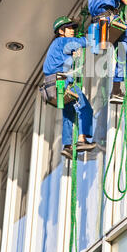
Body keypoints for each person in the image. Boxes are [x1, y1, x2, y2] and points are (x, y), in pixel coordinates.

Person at [43, 16, 96, 159]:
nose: (72, 31)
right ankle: (82, 140)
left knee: (68, 113)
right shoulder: (62, 41)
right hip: (62, 81)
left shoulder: (55, 45)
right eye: (70, 28)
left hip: (52, 85)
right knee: (85, 107)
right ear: (61, 31)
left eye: (73, 28)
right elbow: (85, 42)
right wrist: (95, 30)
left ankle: (67, 146)